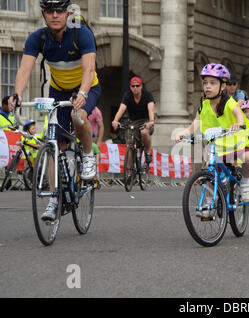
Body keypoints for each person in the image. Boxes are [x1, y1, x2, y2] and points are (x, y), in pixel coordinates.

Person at [8, 0, 101, 221]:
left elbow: (89, 68)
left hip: (87, 87)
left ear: (68, 12)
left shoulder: (82, 34)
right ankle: (54, 199)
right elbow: (24, 68)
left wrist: (83, 94)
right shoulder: (37, 38)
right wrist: (17, 94)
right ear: (43, 13)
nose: (55, 15)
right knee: (54, 142)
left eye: (59, 10)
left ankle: (88, 157)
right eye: (50, 11)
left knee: (77, 115)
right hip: (58, 90)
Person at [175, 63, 249, 205]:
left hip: (235, 143)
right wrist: (185, 132)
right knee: (208, 169)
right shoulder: (203, 105)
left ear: (223, 86)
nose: (207, 86)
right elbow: (196, 122)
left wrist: (238, 124)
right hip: (216, 145)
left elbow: (239, 114)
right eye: (205, 83)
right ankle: (208, 201)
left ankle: (245, 182)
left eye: (212, 83)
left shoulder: (229, 102)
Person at [112, 76, 155, 164]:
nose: (135, 88)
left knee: (144, 132)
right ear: (130, 87)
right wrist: (115, 120)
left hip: (146, 121)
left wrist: (151, 121)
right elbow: (122, 109)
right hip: (133, 122)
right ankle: (129, 172)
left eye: (137, 86)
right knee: (130, 144)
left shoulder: (147, 95)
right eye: (133, 86)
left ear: (141, 86)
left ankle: (147, 152)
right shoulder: (127, 95)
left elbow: (151, 109)